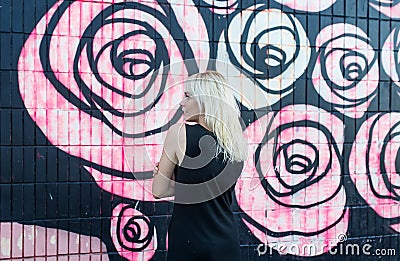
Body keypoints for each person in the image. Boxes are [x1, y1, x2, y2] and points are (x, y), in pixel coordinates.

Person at [152, 71, 248, 261]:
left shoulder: (180, 133)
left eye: (188, 96)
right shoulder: (235, 143)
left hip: (189, 242)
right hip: (226, 243)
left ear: (205, 100)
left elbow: (159, 190)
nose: (182, 103)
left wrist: (169, 178)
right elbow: (208, 189)